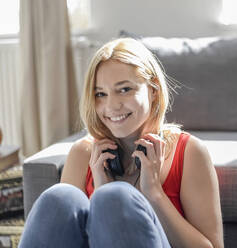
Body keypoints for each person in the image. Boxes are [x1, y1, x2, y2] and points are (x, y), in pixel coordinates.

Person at [19, 38, 224, 248]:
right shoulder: (83, 153)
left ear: (153, 90)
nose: (112, 105)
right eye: (100, 94)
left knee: (115, 196)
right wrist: (100, 190)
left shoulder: (189, 152)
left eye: (124, 89)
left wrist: (154, 193)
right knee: (60, 197)